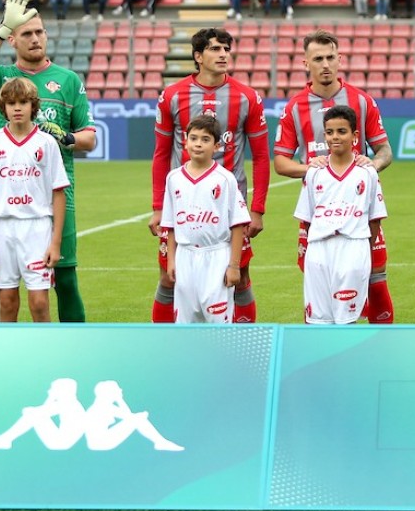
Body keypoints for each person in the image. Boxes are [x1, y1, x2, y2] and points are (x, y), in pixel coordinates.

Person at [0, 0, 97, 324]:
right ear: (14, 40)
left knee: (65, 279)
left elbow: (90, 138)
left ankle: (71, 348)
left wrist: (66, 137)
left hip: (55, 197)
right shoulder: (4, 77)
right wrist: (2, 28)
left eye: (40, 32)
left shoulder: (67, 80)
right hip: (5, 201)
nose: (35, 38)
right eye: (26, 33)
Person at [149, 28, 269, 324]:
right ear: (198, 56)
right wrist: (157, 207)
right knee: (168, 276)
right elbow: (162, 154)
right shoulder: (173, 95)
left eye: (227, 49)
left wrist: (257, 209)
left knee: (239, 275)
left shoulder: (248, 97)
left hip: (229, 209)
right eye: (216, 49)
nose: (224, 54)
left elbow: (262, 156)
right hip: (183, 206)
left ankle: (243, 343)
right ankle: (162, 343)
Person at [273, 30, 395, 324]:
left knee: (375, 276)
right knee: (316, 284)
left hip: (358, 209)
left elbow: (385, 150)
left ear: (340, 59)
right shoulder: (294, 107)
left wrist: (370, 166)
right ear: (306, 63)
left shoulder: (361, 100)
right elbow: (280, 162)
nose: (325, 64)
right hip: (319, 212)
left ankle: (383, 347)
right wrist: (316, 169)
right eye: (318, 59)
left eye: (330, 57)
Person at [0, 77, 69, 323]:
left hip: (37, 227)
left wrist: (55, 243)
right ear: (3, 107)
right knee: (6, 301)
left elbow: (58, 192)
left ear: (33, 106)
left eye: (23, 102)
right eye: (12, 103)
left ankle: (44, 355)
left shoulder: (47, 143)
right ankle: (10, 356)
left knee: (38, 303)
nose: (17, 108)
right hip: (2, 228)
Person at [294, 105, 387, 325]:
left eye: (341, 132)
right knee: (316, 320)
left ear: (355, 136)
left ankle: (346, 359)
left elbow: (375, 220)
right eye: (330, 132)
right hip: (319, 249)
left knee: (347, 319)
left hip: (353, 247)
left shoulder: (367, 172)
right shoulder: (314, 172)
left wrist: (361, 246)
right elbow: (305, 220)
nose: (335, 137)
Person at [161, 116, 251, 324]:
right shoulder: (174, 178)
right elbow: (171, 224)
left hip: (216, 256)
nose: (198, 144)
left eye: (205, 139)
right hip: (185, 255)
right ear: (185, 141)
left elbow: (237, 224)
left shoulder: (225, 178)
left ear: (217, 145)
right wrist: (172, 260)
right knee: (186, 321)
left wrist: (234, 266)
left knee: (218, 321)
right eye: (193, 138)